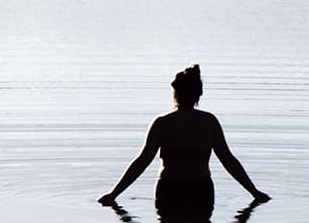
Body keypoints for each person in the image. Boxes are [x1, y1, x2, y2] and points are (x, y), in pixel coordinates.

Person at [98, 64, 270, 210]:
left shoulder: (162, 123)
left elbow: (142, 162)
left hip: (170, 190)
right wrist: (254, 192)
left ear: (175, 93)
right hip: (200, 191)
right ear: (199, 94)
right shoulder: (209, 123)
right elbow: (228, 161)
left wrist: (114, 194)